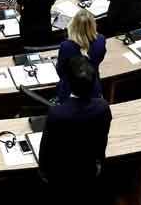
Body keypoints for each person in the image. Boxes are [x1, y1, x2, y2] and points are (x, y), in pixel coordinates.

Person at [38, 55, 112, 199]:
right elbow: (102, 139)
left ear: (68, 82)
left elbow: (46, 147)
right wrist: (99, 163)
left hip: (58, 175)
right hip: (88, 171)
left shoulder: (57, 113)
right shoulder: (103, 107)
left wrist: (42, 172)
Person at [55, 9, 107, 101]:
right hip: (93, 88)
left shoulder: (66, 46)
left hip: (69, 90)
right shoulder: (101, 40)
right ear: (93, 25)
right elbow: (100, 58)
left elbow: (61, 71)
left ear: (73, 25)